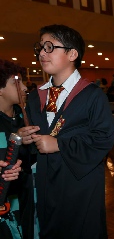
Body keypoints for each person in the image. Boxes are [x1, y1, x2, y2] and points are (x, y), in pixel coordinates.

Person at [25, 24, 114, 238]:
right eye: (40, 48)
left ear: (72, 53)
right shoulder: (35, 96)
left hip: (79, 182)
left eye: (50, 47)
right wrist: (25, 138)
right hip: (46, 180)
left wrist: (58, 144)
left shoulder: (92, 95)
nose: (42, 53)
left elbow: (103, 138)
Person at [0, 59, 34, 239]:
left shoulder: (24, 116)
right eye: (16, 83)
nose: (24, 88)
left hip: (26, 195)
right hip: (5, 201)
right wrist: (17, 139)